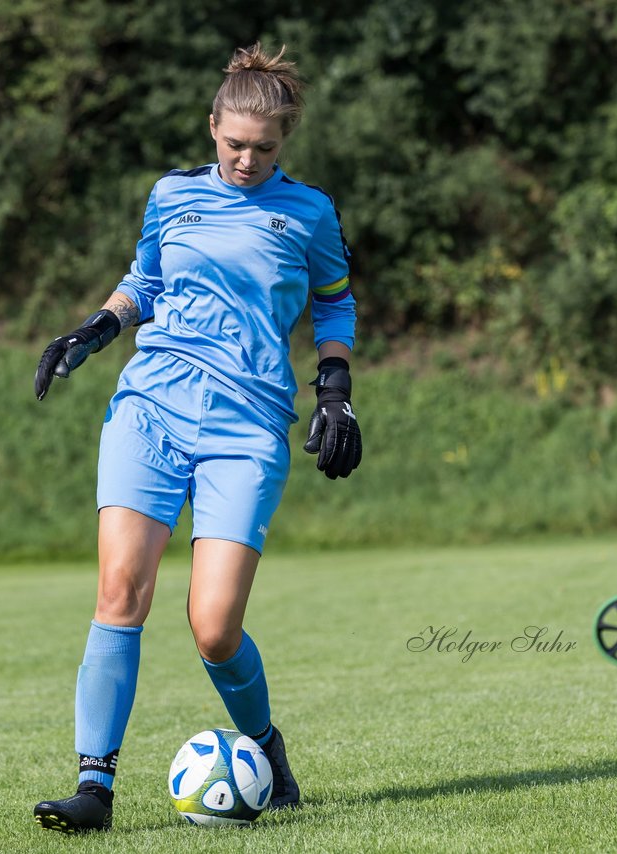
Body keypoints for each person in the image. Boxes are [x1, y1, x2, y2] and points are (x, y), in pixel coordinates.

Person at [30, 42, 361, 834]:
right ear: (212, 126)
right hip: (150, 406)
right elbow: (146, 278)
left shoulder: (309, 212)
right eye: (234, 143)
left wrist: (337, 390)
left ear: (285, 144)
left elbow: (336, 306)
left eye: (265, 148)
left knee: (213, 627)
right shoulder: (170, 195)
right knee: (120, 593)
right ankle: (93, 789)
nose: (247, 160)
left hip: (246, 427)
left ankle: (266, 750)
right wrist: (97, 327)